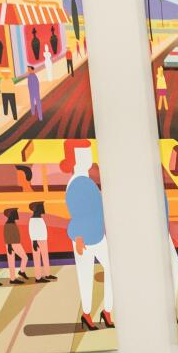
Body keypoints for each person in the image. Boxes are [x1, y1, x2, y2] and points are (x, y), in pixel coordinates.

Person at [63, 139, 114, 330]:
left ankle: (106, 310)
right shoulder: (77, 182)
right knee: (85, 276)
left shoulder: (87, 180)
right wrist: (77, 238)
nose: (90, 156)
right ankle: (87, 314)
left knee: (110, 270)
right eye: (85, 153)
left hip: (97, 236)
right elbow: (77, 212)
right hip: (83, 240)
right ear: (75, 158)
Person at [27, 200, 53, 281]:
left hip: (43, 240)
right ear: (37, 208)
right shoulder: (33, 219)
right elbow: (32, 230)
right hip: (37, 241)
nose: (43, 208)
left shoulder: (39, 218)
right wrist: (34, 241)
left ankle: (47, 274)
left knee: (45, 257)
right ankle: (38, 277)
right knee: (37, 258)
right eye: (42, 206)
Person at [2, 208, 28, 282]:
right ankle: (14, 278)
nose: (17, 214)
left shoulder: (12, 223)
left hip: (14, 244)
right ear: (11, 214)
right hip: (12, 244)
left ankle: (20, 273)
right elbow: (7, 235)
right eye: (15, 212)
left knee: (14, 261)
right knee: (19, 259)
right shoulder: (8, 224)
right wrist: (10, 246)